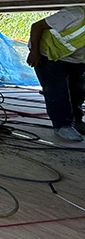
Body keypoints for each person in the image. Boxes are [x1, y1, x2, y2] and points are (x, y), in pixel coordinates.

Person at [26, 7, 85, 141]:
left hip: (76, 59)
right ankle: (62, 126)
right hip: (47, 53)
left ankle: (76, 121)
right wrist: (34, 52)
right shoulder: (77, 15)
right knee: (57, 89)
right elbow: (37, 26)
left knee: (78, 90)